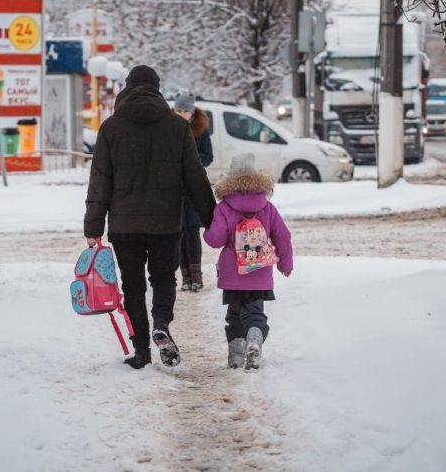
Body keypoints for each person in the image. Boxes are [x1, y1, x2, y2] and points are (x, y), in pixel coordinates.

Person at [84, 66, 216, 369]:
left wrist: (93, 225)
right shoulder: (177, 127)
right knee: (163, 279)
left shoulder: (111, 128)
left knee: (132, 286)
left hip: (124, 225)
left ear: (127, 88)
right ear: (157, 89)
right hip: (166, 223)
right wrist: (212, 218)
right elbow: (195, 176)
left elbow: (99, 181)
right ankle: (161, 323)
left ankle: (141, 350)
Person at [204, 153, 293, 370]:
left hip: (233, 273)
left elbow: (215, 240)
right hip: (258, 271)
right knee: (255, 312)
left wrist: (207, 230)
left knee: (234, 315)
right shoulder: (267, 207)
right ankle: (255, 339)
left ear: (230, 178)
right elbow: (282, 235)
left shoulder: (224, 207)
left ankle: (235, 356)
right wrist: (285, 263)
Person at [173, 93, 213, 292]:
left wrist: (191, 160)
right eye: (179, 111)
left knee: (192, 231)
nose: (182, 114)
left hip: (193, 188)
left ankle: (196, 275)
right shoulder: (168, 128)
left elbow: (208, 156)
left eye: (186, 111)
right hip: (174, 188)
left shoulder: (200, 130)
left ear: (192, 112)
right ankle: (185, 277)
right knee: (178, 233)